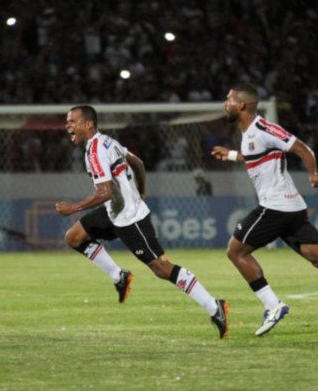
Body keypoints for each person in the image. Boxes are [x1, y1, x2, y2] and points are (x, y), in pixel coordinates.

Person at [212, 84, 318, 337]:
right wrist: (230, 155)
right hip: (291, 208)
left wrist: (313, 174)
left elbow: (302, 148)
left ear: (241, 105)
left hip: (275, 207)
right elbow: (254, 156)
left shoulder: (264, 128)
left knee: (235, 251)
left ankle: (272, 305)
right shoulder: (250, 133)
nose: (225, 103)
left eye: (229, 99)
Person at [55, 105, 229, 338]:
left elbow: (105, 192)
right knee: (74, 237)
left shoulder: (95, 151)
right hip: (114, 211)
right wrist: (142, 190)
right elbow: (137, 163)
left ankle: (214, 307)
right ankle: (118, 276)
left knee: (162, 268)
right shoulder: (107, 141)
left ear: (88, 124)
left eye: (72, 121)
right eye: (67, 121)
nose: (68, 125)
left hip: (130, 218)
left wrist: (72, 208)